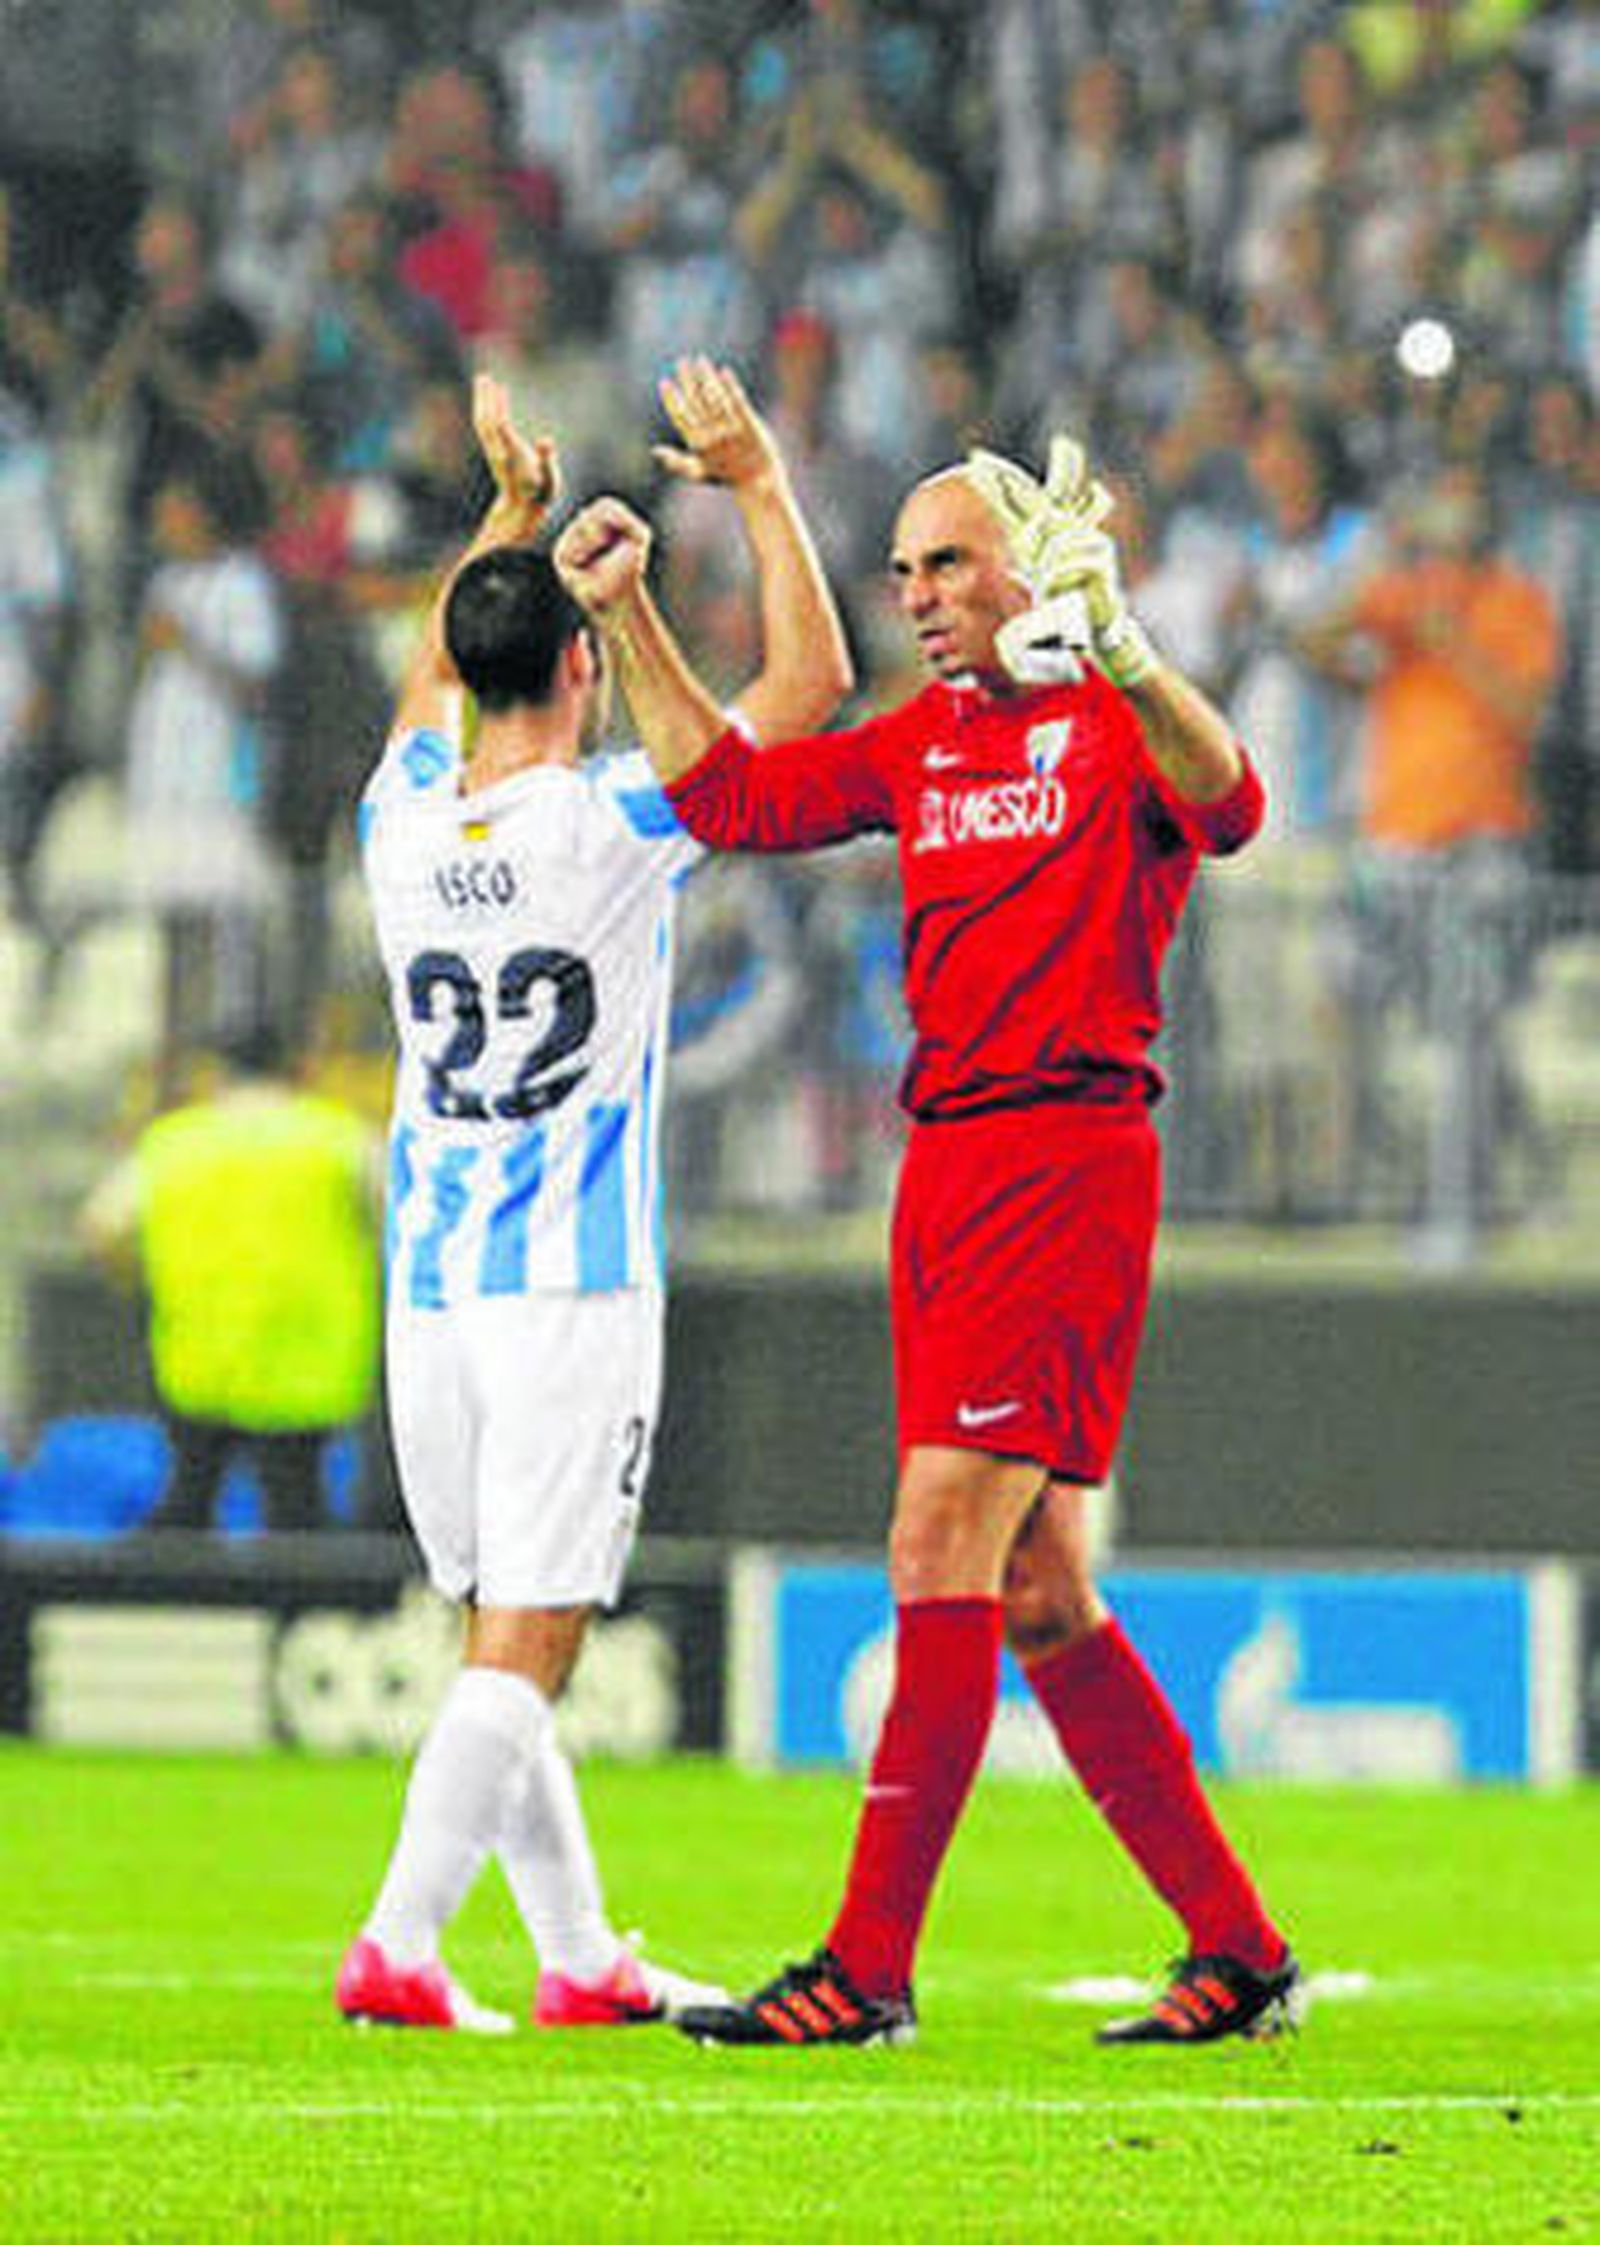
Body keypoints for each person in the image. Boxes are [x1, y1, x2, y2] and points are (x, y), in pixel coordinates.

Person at [554, 430, 1301, 2049]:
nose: (921, 597)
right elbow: (731, 799)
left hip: (1063, 1154)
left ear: (1034, 570)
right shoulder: (928, 746)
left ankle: (864, 1969)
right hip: (946, 1166)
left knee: (935, 1545)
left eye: (949, 563)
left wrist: (1132, 649)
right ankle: (1238, 1952)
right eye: (903, 572)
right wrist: (627, 619)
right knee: (1034, 1590)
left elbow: (1233, 806)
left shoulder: (1114, 720)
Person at [336, 360, 852, 2034]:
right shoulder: (615, 822)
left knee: (500, 1625)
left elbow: (435, 675)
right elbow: (809, 690)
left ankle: (577, 1958)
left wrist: (511, 523)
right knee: (533, 1640)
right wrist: (749, 491)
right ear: (578, 665)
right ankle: (399, 1948)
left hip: (426, 1289)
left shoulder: (399, 818)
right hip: (566, 1291)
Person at [79, 1017, 380, 1533]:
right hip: (309, 1360)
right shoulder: (339, 1138)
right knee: (299, 1502)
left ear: (214, 1074)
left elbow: (101, 1226)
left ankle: (169, 1601)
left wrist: (137, 1277)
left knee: (190, 1494)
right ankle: (299, 1607)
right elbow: (401, 1215)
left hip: (199, 1355)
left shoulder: (174, 1143)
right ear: (301, 1069)